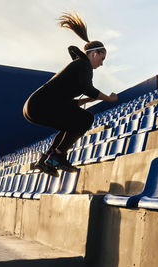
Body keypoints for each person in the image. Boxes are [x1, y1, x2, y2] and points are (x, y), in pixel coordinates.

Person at [23, 12, 118, 177]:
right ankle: (58, 156)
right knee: (86, 119)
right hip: (40, 106)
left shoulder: (78, 66)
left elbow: (71, 102)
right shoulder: (84, 65)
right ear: (94, 54)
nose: (102, 64)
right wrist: (108, 98)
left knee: (70, 123)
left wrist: (90, 98)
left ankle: (47, 160)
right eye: (102, 58)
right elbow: (89, 89)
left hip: (34, 107)